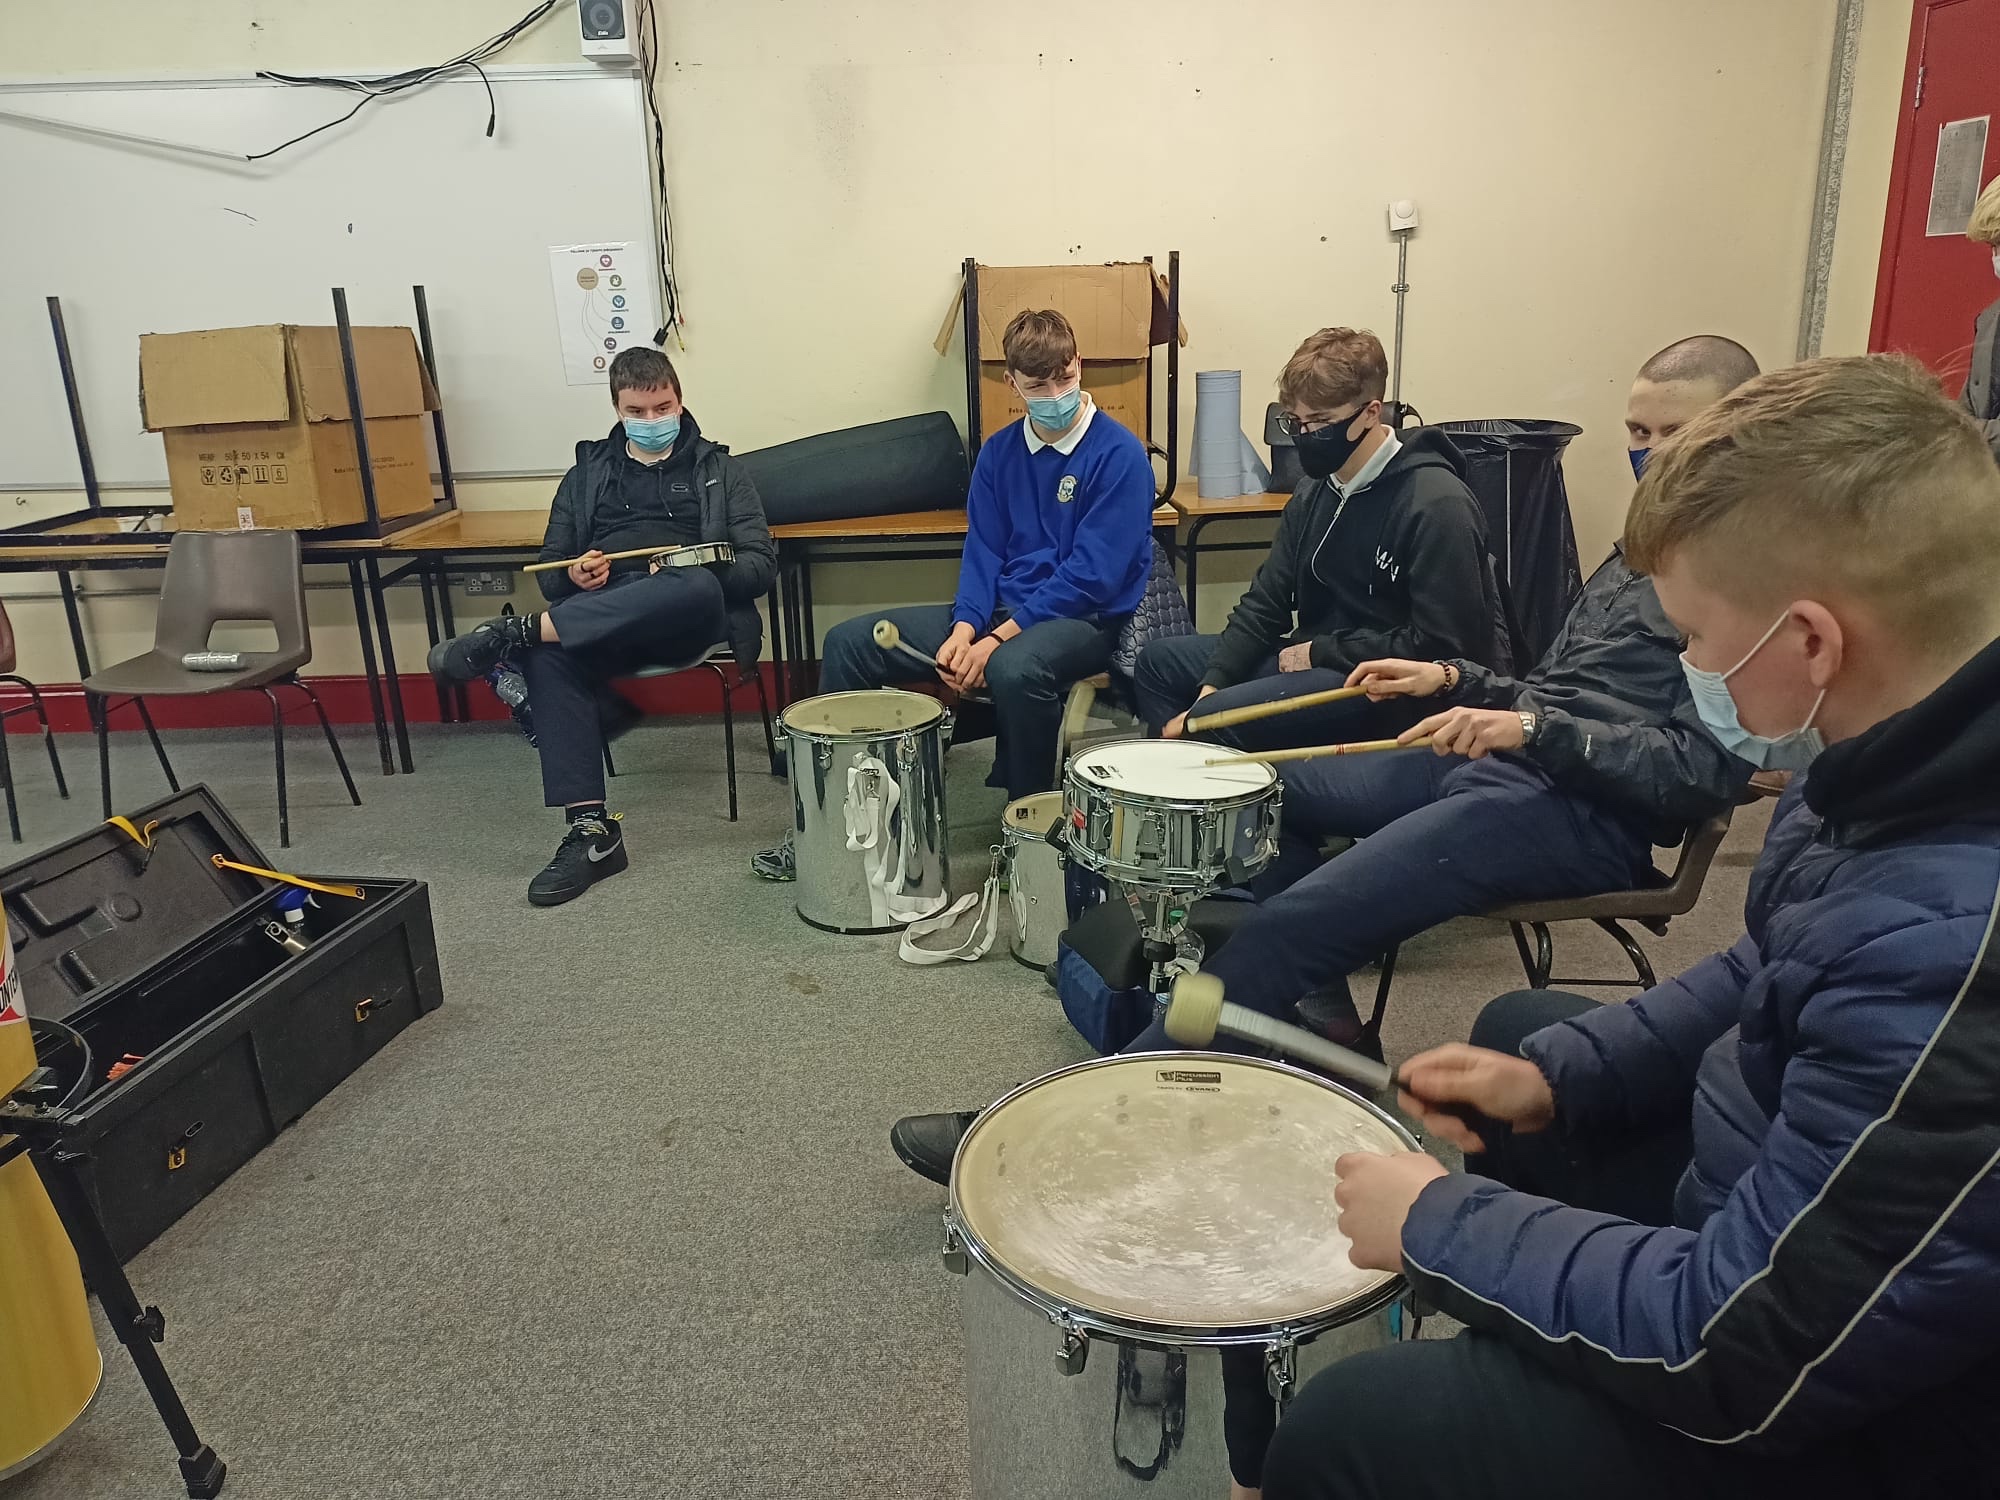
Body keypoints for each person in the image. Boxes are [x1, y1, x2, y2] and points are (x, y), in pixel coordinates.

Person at [889, 335, 1757, 1500]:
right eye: (1635, 433)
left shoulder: (1745, 576)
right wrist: (1453, 686)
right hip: (1503, 761)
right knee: (1259, 806)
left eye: (1668, 434)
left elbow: (1695, 774)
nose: (1643, 453)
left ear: (1736, 430)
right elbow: (1544, 683)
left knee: (1286, 925)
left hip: (1573, 812)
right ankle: (1302, 1035)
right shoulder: (1647, 545)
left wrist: (1529, 728)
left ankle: (1100, 1111)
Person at [1265, 353, 2000, 1500]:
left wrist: (1440, 1226)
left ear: (1810, 643)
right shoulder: (1873, 761)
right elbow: (1766, 963)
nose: (1689, 667)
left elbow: (1740, 1348)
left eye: (1694, 639)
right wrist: (1558, 1078)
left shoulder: (1953, 955)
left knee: (1345, 1423)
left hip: (1847, 1418)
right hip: (1800, 1223)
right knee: (1520, 1042)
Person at [753, 308, 1153, 879]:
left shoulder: (1120, 455)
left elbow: (1093, 576)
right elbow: (983, 552)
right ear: (1011, 383)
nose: (1055, 396)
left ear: (1078, 364)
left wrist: (994, 641)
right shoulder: (998, 452)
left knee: (1014, 667)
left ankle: (1029, 833)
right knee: (847, 643)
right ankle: (831, 823)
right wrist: (965, 630)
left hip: (1084, 619)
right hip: (1000, 617)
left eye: (1065, 378)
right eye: (1038, 386)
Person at [429, 346, 775, 906]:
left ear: (680, 401)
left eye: (662, 408)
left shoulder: (721, 471)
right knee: (550, 652)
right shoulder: (586, 475)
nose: (652, 420)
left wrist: (694, 563)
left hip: (687, 614)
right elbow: (552, 572)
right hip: (604, 617)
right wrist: (574, 574)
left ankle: (512, 635)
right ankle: (591, 831)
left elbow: (760, 566)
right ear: (617, 408)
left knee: (691, 585)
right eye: (637, 411)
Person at [1135, 327, 1506, 748]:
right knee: (1158, 664)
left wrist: (1322, 651)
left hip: (1383, 687)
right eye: (1296, 422)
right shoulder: (1315, 490)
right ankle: (1179, 777)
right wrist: (1213, 685)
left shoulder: (1437, 504)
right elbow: (1266, 602)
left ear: (1371, 414)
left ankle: (1219, 781)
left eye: (1322, 423)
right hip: (1313, 658)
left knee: (1218, 720)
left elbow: (1443, 645)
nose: (1306, 436)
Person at [1960, 174, 2000, 462]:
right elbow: (1967, 409)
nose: (1996, 256)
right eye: (1994, 246)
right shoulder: (1989, 320)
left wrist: (1950, 435)